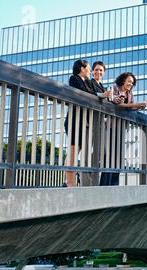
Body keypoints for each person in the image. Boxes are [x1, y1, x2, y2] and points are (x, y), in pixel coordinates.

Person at [98, 72, 146, 186]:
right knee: (109, 155)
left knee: (118, 156)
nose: (131, 84)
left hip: (121, 127)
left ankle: (114, 184)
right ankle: (105, 184)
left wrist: (139, 107)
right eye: (129, 81)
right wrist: (135, 105)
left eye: (132, 83)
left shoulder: (130, 93)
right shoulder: (115, 89)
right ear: (123, 80)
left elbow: (130, 108)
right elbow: (117, 105)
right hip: (110, 126)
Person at [63, 59, 95, 187]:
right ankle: (69, 182)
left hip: (82, 121)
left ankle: (69, 181)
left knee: (77, 149)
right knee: (73, 149)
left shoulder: (86, 82)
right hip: (74, 120)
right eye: (88, 68)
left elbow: (92, 95)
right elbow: (84, 94)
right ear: (82, 68)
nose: (90, 71)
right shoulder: (74, 79)